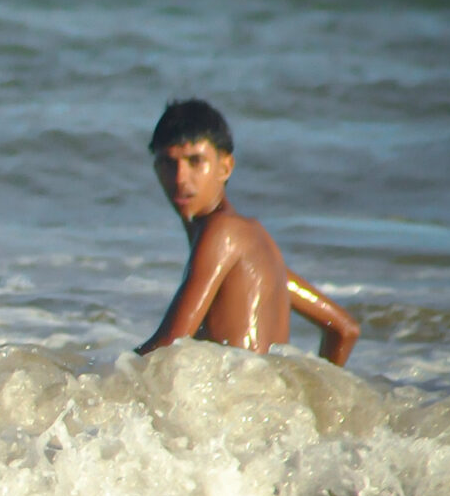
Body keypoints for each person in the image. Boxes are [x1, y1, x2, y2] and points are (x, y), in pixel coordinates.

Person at [138, 98, 359, 364]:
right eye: (167, 163)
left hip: (236, 391)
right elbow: (344, 329)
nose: (180, 178)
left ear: (226, 167)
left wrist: (99, 376)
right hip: (262, 390)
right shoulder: (256, 250)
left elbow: (168, 347)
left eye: (195, 161)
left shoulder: (223, 232)